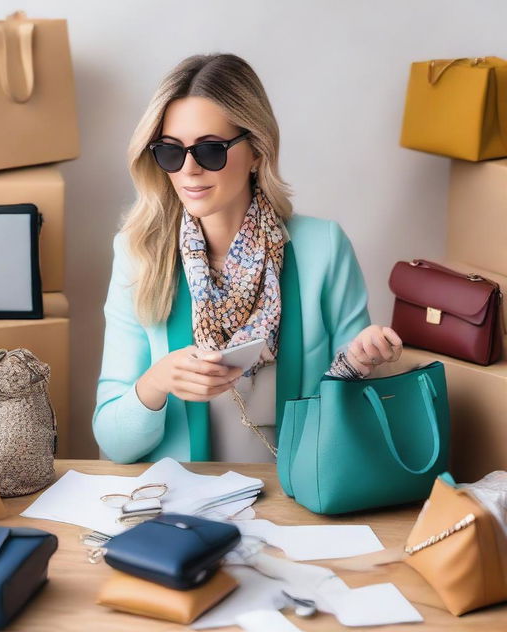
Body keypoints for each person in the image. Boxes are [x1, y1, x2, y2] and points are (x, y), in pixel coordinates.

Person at [92, 53, 402, 464]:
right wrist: (157, 381)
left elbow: (358, 413)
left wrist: (361, 360)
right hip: (181, 508)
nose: (189, 170)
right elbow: (113, 443)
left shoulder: (322, 248)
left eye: (210, 150)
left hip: (299, 504)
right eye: (170, 152)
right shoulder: (139, 255)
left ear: (257, 150)